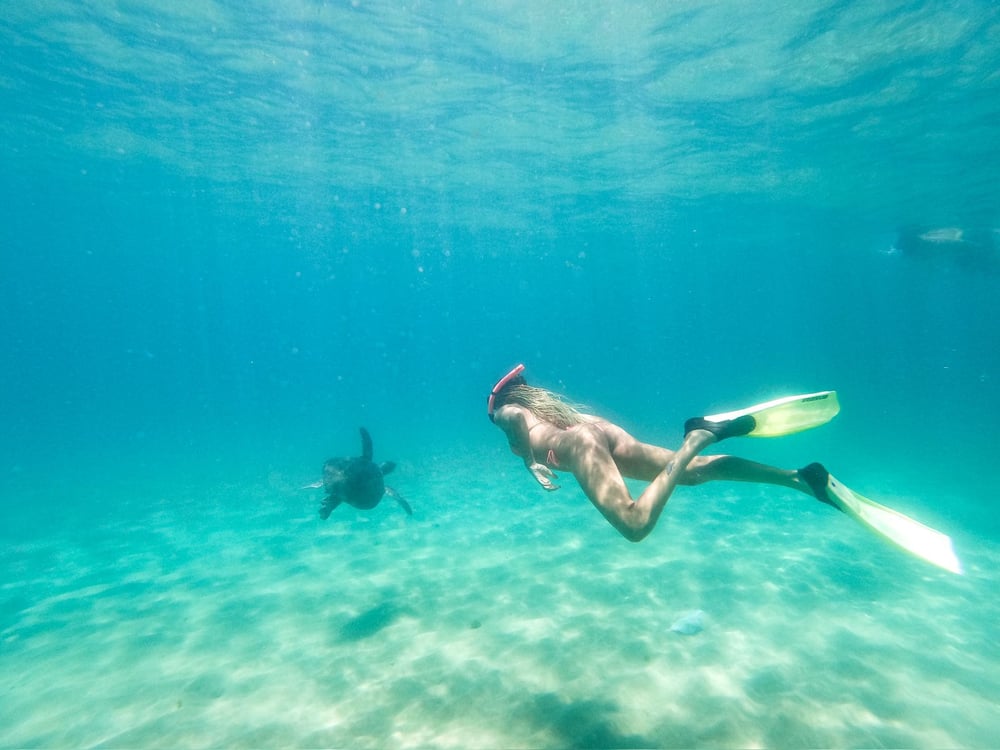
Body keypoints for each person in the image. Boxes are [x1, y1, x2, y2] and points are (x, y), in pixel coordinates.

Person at [487, 364, 846, 543]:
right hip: (599, 430)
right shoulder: (547, 408)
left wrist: (530, 462)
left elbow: (513, 417)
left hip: (580, 445)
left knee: (635, 524)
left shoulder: (506, 412)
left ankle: (697, 438)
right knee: (693, 472)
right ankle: (800, 479)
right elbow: (577, 424)